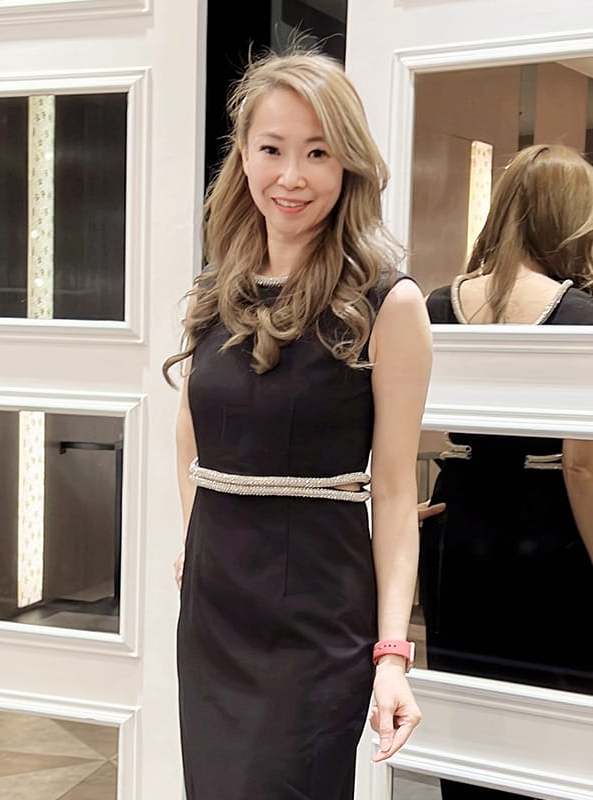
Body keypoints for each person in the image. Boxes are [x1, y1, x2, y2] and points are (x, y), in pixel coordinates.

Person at [162, 42, 433, 800]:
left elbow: (394, 494)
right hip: (215, 616)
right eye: (272, 149)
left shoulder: (388, 303)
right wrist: (196, 540)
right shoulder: (216, 290)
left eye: (318, 152)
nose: (291, 176)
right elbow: (189, 435)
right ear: (243, 157)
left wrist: (392, 654)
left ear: (348, 165)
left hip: (316, 618)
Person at [420, 143, 593, 800]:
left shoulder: (437, 305)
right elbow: (580, 465)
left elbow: (386, 422)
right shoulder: (580, 316)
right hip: (546, 528)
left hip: (456, 523)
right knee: (553, 730)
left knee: (465, 718)